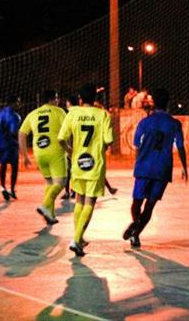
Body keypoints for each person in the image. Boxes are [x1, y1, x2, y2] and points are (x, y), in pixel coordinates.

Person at [123, 88, 188, 248]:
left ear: (153, 103)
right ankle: (136, 233)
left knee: (136, 203)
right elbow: (180, 147)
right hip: (162, 169)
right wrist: (185, 168)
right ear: (168, 104)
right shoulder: (174, 124)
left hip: (144, 167)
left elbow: (137, 144)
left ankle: (135, 224)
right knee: (150, 206)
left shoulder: (144, 122)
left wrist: (138, 162)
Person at [58, 83, 114, 256]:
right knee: (90, 202)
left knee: (79, 201)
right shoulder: (103, 114)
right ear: (95, 99)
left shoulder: (73, 113)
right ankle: (76, 239)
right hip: (95, 165)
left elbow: (61, 138)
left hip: (78, 163)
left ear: (80, 99)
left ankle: (79, 238)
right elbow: (109, 139)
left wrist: (70, 152)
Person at [19, 90, 68, 225]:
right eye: (57, 98)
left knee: (49, 183)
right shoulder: (59, 112)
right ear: (52, 99)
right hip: (55, 151)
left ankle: (50, 215)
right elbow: (66, 131)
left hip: (39, 152)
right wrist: (69, 148)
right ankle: (45, 205)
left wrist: (25, 156)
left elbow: (22, 134)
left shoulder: (33, 114)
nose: (58, 101)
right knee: (61, 182)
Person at [0, 95, 22, 201]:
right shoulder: (15, 116)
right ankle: (12, 189)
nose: (19, 104)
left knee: (3, 165)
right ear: (12, 103)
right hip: (10, 145)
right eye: (17, 102)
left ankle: (2, 187)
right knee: (14, 167)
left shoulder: (0, 112)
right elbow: (14, 132)